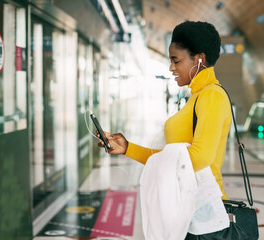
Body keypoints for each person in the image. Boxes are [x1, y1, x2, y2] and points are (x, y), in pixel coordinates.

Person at [98, 20, 232, 235]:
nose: (171, 67)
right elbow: (176, 158)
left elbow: (199, 158)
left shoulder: (212, 95)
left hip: (202, 212)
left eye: (176, 60)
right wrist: (127, 148)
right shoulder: (197, 96)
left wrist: (157, 168)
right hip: (186, 205)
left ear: (199, 59)